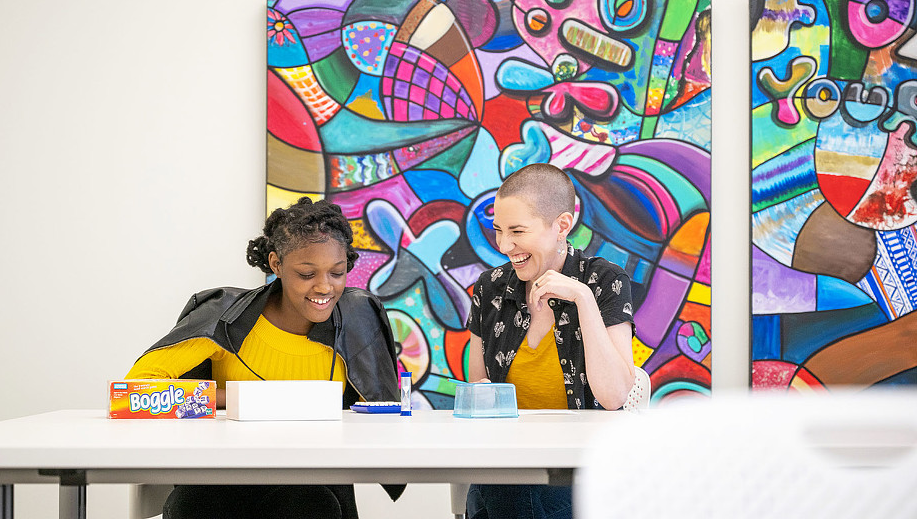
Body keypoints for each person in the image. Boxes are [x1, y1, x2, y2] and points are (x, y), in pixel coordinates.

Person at [125, 197, 401, 519]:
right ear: (276, 264)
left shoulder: (358, 322)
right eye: (307, 273)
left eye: (337, 273)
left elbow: (384, 416)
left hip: (313, 486)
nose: (324, 287)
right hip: (219, 482)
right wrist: (237, 399)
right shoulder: (224, 318)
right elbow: (134, 394)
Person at [465, 163, 636, 519]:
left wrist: (584, 301)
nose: (504, 245)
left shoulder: (604, 281)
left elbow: (614, 396)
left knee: (500, 493)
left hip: (579, 471)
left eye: (517, 231)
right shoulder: (490, 288)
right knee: (501, 483)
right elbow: (478, 390)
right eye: (498, 231)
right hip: (505, 465)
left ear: (561, 226)